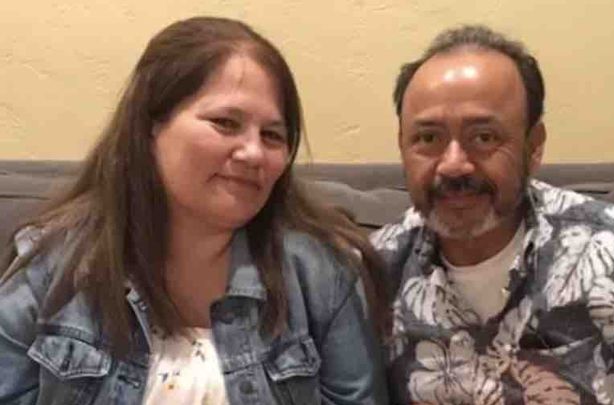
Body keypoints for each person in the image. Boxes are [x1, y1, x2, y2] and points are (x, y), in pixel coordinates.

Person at [0, 16, 388, 404]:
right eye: (226, 123)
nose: (254, 152)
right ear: (150, 126)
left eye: (272, 135)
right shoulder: (49, 268)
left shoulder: (323, 277)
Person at [371, 25, 614, 404]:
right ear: (402, 146)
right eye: (428, 138)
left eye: (484, 137)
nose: (453, 165)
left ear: (533, 147)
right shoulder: (372, 270)